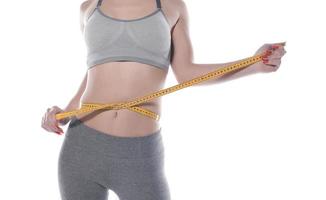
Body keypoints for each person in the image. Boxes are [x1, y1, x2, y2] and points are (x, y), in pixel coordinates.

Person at [41, 0, 287, 199]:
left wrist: (253, 65)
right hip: (82, 146)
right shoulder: (88, 7)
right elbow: (95, 70)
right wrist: (64, 112)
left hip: (138, 154)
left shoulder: (172, 7)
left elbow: (187, 74)